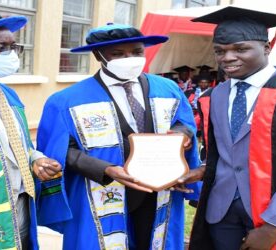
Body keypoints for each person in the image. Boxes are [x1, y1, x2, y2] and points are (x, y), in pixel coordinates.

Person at [176, 6, 276, 250]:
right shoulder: (214, 96)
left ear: (267, 47)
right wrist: (202, 170)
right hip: (221, 213)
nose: (227, 58)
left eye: (241, 49)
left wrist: (272, 226)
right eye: (220, 51)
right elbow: (226, 153)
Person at [36, 23, 201, 250]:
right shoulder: (66, 100)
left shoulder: (168, 88)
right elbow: (60, 150)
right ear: (98, 54)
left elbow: (184, 123)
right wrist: (105, 169)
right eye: (118, 54)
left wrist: (183, 135)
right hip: (100, 189)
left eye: (136, 52)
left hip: (160, 190)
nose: (129, 58)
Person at [0, 14, 62, 250]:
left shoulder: (6, 93)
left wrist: (36, 159)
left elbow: (17, 145)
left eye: (12, 47)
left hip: (19, 202)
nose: (10, 54)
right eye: (0, 48)